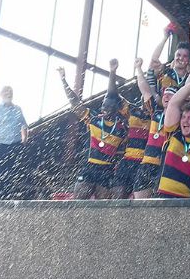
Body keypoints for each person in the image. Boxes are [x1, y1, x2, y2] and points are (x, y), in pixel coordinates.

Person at [58, 60, 128, 199]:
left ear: (116, 110)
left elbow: (113, 93)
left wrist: (113, 72)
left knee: (102, 208)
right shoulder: (94, 119)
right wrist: (63, 80)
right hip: (89, 167)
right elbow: (75, 103)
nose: (103, 109)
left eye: (107, 107)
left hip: (107, 170)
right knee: (79, 201)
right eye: (103, 106)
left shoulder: (121, 128)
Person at [156, 63, 190, 198]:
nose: (185, 121)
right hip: (162, 197)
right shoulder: (173, 134)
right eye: (183, 117)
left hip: (186, 201)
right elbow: (174, 103)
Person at [111, 59, 151, 199]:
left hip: (144, 163)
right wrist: (113, 72)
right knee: (117, 197)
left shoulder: (156, 115)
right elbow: (114, 97)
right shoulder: (132, 110)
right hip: (127, 160)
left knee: (137, 199)